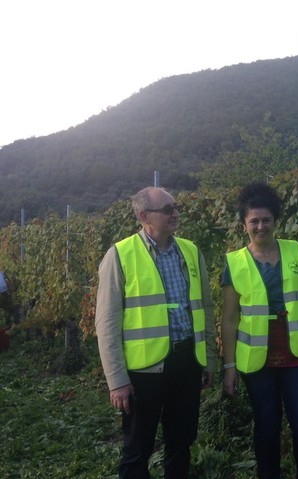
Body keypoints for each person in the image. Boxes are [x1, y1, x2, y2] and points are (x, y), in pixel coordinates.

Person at [220, 182, 298, 479]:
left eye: (266, 220)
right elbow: (230, 320)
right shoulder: (234, 263)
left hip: (296, 354)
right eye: (254, 221)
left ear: (276, 221)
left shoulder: (297, 251)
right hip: (256, 360)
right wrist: (229, 367)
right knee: (266, 426)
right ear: (244, 224)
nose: (261, 226)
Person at [95, 186, 217, 479]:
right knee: (138, 448)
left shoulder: (190, 251)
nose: (175, 213)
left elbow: (205, 309)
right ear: (143, 216)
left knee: (181, 442)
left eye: (176, 207)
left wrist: (208, 358)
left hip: (187, 362)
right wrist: (117, 380)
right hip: (143, 372)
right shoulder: (120, 255)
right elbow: (106, 322)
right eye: (167, 209)